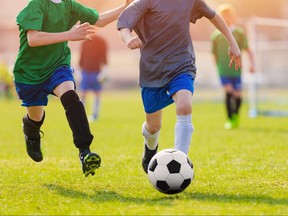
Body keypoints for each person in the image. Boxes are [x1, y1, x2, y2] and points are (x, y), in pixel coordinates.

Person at [117, 0, 242, 173]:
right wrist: (128, 38)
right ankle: (150, 146)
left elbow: (213, 16)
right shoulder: (144, 2)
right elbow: (124, 24)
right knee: (153, 127)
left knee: (184, 106)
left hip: (182, 64)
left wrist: (232, 42)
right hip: (152, 70)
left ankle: (180, 162)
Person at [13, 0, 132, 177]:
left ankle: (84, 151)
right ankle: (31, 130)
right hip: (30, 73)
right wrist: (69, 34)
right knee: (35, 117)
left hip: (57, 66)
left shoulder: (70, 5)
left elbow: (98, 20)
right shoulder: (37, 4)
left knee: (71, 97)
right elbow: (33, 39)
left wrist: (125, 8)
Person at [211, 4, 255, 130]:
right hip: (223, 70)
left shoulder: (239, 33)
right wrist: (217, 69)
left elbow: (248, 49)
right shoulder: (215, 35)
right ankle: (230, 119)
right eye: (223, 16)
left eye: (229, 15)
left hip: (236, 70)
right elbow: (214, 54)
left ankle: (235, 116)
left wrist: (252, 64)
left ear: (234, 17)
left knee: (238, 96)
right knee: (229, 92)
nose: (226, 18)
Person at [78, 32, 108, 122]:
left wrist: (104, 71)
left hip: (97, 72)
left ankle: (95, 115)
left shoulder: (101, 41)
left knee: (97, 94)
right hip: (85, 71)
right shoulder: (84, 41)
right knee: (83, 94)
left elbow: (104, 57)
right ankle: (81, 115)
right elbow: (81, 57)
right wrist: (79, 71)